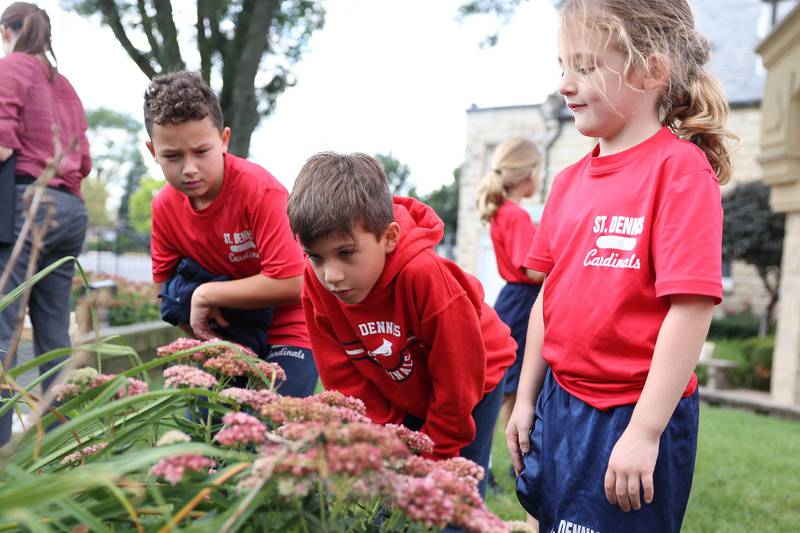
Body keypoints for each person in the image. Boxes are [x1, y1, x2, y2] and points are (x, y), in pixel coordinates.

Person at [507, 1, 735, 531]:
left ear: (651, 70)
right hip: (559, 406)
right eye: (562, 67)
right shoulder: (565, 183)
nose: (565, 84)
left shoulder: (680, 170)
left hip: (630, 416)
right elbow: (548, 300)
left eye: (585, 67)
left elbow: (691, 308)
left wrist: (645, 432)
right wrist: (525, 399)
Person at [288, 152, 516, 498]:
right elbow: (342, 376)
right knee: (391, 495)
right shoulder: (316, 284)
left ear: (389, 237)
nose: (330, 275)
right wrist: (387, 443)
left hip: (475, 378)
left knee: (454, 495)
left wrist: (433, 455)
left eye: (346, 253)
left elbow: (457, 381)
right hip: (405, 384)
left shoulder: (422, 276)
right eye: (316, 257)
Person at [145, 71, 317, 398]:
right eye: (172, 156)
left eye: (201, 151)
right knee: (207, 428)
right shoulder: (164, 207)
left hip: (290, 326)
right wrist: (205, 332)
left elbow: (297, 283)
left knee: (274, 423)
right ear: (153, 150)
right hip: (228, 332)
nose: (189, 167)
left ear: (224, 140)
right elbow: (164, 295)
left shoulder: (258, 190)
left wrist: (208, 295)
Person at [0, 2, 91, 445]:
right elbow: (85, 160)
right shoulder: (66, 85)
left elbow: (1, 146)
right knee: (55, 335)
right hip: (70, 210)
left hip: (27, 204)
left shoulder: (11, 67)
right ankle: (60, 447)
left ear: (8, 32)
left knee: (3, 330)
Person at [476, 138, 544, 450]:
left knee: (510, 384)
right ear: (528, 174)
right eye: (539, 171)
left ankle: (508, 453)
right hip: (522, 301)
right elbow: (533, 270)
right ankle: (491, 454)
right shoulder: (516, 215)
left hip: (513, 298)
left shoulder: (503, 211)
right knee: (507, 385)